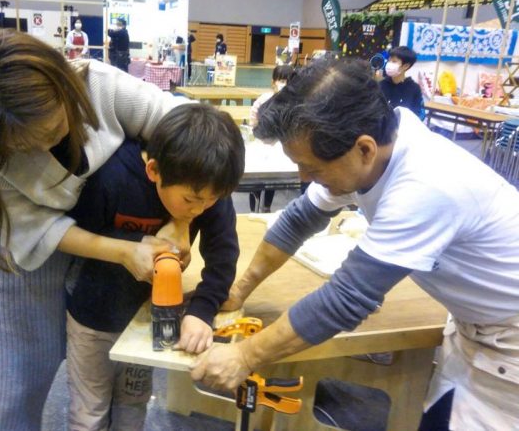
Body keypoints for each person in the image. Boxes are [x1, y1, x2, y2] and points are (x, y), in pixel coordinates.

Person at [191, 58, 519, 430]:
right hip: (473, 330)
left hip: (510, 342)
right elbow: (300, 219)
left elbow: (345, 300)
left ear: (363, 149)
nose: (303, 177)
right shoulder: (381, 148)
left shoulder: (426, 185)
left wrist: (244, 356)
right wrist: (239, 290)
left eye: (312, 168)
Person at [0, 28, 186, 430]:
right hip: (21, 270)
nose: (49, 142)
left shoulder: (99, 86)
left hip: (108, 266)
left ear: (62, 83)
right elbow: (38, 230)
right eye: (25, 144)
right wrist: (124, 250)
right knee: (16, 391)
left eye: (54, 124)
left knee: (117, 377)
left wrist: (181, 220)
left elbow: (185, 129)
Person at [65, 103, 244, 430]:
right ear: (154, 172)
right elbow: (76, 235)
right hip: (93, 316)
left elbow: (223, 255)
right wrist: (129, 247)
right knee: (90, 409)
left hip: (150, 318)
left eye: (212, 199)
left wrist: (201, 311)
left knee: (133, 400)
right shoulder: (113, 176)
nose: (201, 208)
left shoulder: (208, 187)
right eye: (191, 201)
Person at [248, 64, 295, 213]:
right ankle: (253, 208)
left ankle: (267, 206)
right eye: (281, 80)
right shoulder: (264, 99)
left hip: (278, 146)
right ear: (273, 81)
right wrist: (254, 128)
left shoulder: (292, 103)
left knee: (272, 179)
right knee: (256, 178)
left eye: (287, 81)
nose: (283, 84)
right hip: (261, 143)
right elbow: (253, 116)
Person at [379, 45, 424, 120]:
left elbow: (417, 114)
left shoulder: (414, 88)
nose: (389, 64)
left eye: (394, 61)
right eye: (389, 60)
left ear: (405, 66)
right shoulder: (381, 85)